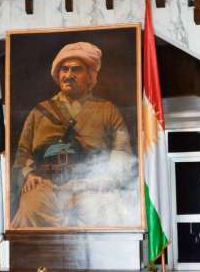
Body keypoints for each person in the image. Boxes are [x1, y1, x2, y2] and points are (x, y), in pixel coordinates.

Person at [12, 42, 135, 227]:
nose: (69, 75)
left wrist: (108, 178)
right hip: (46, 187)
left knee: (106, 214)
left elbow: (122, 151)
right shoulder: (39, 112)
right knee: (31, 208)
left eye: (76, 69)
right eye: (64, 69)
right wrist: (28, 175)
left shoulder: (108, 110)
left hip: (91, 187)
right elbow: (23, 153)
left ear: (90, 76)